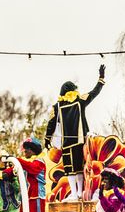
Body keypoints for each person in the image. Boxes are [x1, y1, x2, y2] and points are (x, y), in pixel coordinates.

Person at [43, 65, 106, 200]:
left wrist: (47, 139)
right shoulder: (80, 101)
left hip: (66, 143)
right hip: (80, 141)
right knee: (79, 168)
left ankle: (74, 192)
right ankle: (79, 192)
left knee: (70, 169)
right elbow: (94, 92)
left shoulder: (57, 106)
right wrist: (101, 79)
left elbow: (51, 123)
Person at [16, 138, 47, 212]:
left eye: (27, 148)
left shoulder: (39, 161)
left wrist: (16, 159)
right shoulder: (27, 162)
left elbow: (32, 168)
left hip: (36, 194)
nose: (24, 151)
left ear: (31, 150)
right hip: (27, 195)